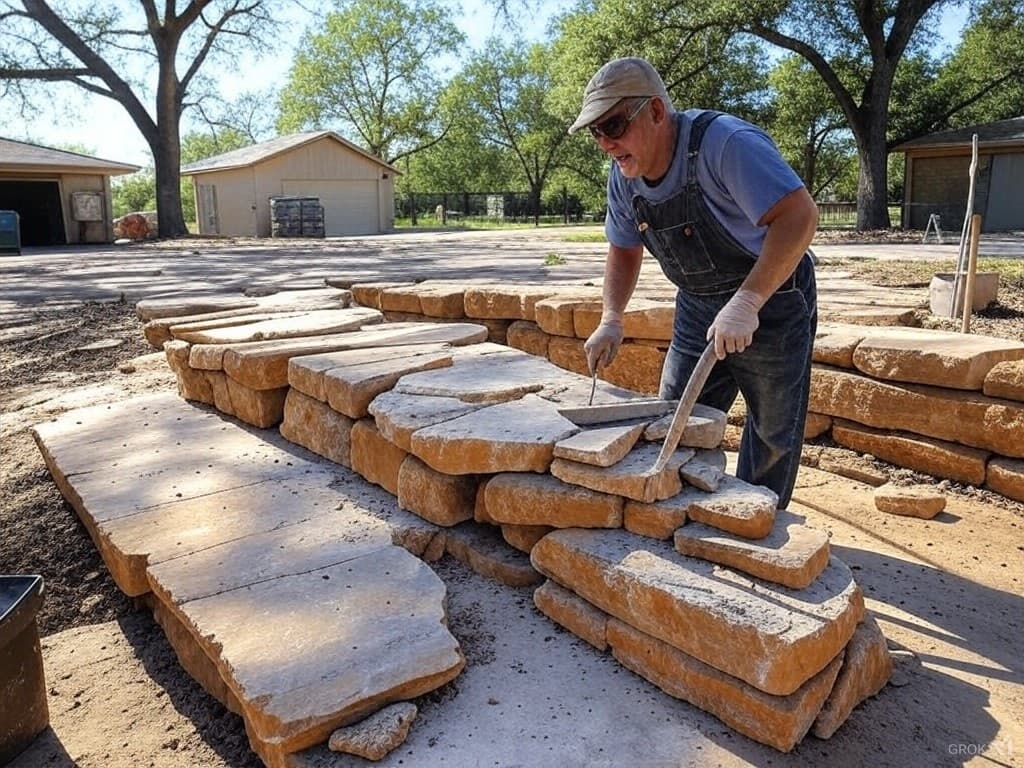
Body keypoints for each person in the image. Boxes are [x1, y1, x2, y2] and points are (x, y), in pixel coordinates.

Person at [569, 56, 818, 509]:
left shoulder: (726, 145)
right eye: (596, 131)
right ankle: (682, 515)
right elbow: (624, 248)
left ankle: (754, 528)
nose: (606, 142)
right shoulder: (625, 174)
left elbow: (799, 217)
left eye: (615, 125)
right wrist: (611, 316)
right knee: (677, 420)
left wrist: (747, 301)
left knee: (772, 433)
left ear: (657, 111)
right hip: (698, 304)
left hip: (772, 298)